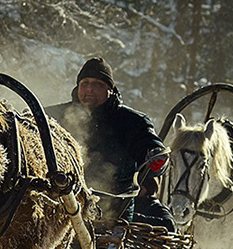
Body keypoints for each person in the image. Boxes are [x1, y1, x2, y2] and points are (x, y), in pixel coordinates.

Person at [49, 56, 173, 229]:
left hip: (114, 211)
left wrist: (155, 157)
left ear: (110, 89)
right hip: (61, 206)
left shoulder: (133, 123)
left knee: (165, 224)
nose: (90, 89)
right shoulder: (54, 117)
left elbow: (155, 152)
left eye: (97, 84)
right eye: (85, 83)